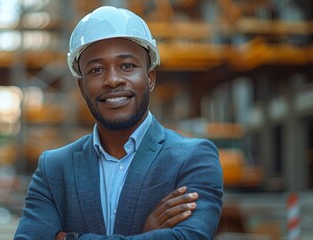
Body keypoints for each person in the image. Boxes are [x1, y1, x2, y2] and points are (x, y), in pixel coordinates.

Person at [14, 6, 223, 240]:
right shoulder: (53, 169)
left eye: (127, 66)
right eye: (96, 69)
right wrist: (143, 235)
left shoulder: (193, 159)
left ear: (150, 78)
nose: (112, 80)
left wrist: (69, 238)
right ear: (82, 87)